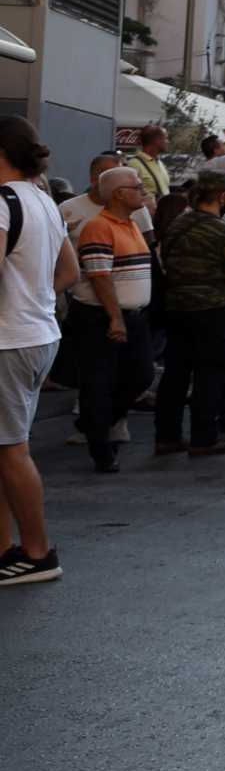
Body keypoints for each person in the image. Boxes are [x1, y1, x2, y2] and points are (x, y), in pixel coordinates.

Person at [0, 119, 74, 586]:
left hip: (9, 339)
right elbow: (70, 270)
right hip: (37, 333)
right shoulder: (42, 200)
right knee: (4, 447)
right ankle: (10, 550)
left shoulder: (3, 203)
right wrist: (32, 300)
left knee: (12, 449)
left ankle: (38, 553)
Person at [154, 172, 225, 460]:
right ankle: (203, 437)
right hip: (214, 310)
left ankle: (167, 436)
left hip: (177, 307)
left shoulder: (177, 225)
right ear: (223, 195)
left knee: (175, 374)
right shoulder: (223, 231)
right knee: (210, 374)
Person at [68, 165, 154, 473]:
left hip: (134, 315)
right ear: (119, 194)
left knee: (141, 376)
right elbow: (100, 277)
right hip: (101, 317)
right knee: (99, 383)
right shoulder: (99, 227)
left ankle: (96, 422)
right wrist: (115, 318)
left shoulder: (130, 224)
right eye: (137, 186)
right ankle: (100, 445)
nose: (143, 191)